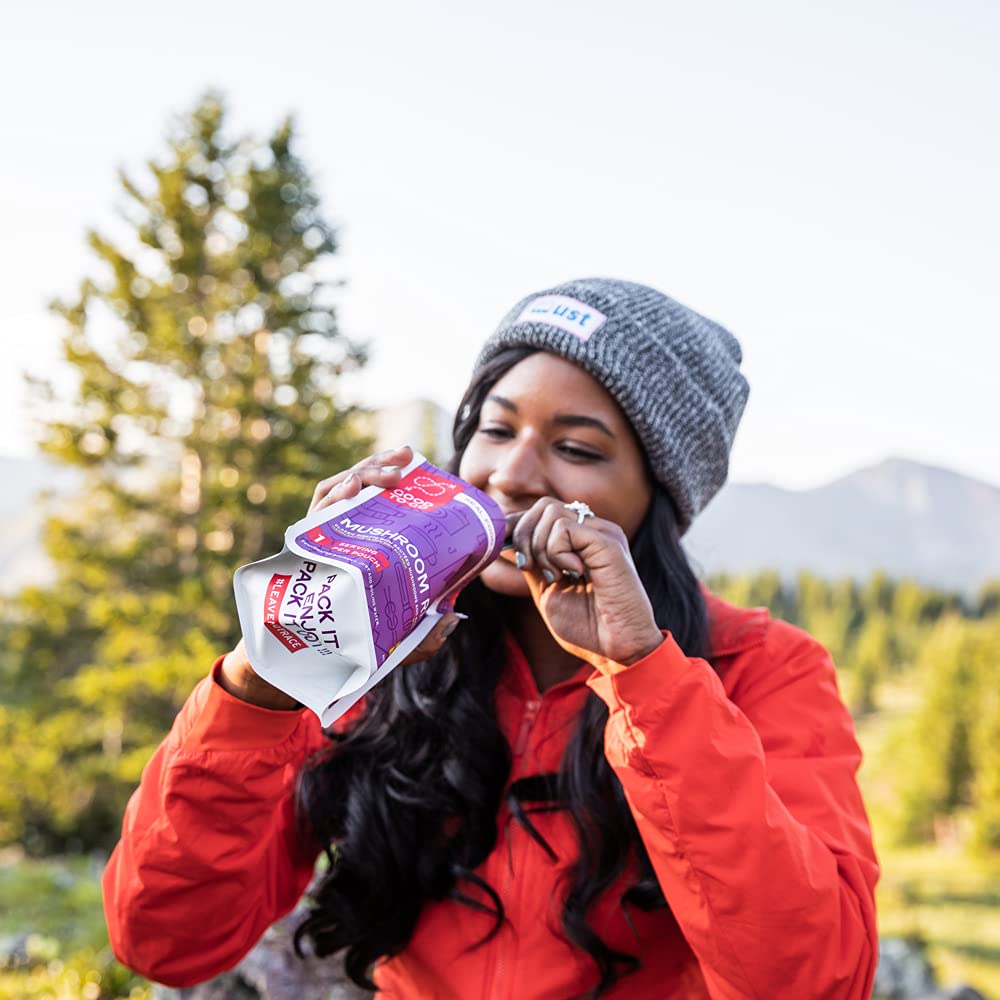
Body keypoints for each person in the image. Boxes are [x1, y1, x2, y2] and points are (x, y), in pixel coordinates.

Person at [103, 278, 879, 998]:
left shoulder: (759, 669)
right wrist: (272, 668)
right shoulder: (374, 649)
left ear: (659, 500)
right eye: (494, 428)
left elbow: (810, 979)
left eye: (576, 448)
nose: (511, 473)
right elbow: (164, 938)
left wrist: (642, 675)